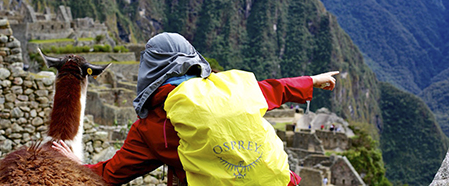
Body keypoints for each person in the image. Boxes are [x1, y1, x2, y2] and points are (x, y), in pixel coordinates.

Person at [53, 32, 338, 186]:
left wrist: (76, 167)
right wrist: (313, 81)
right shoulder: (232, 86)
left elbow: (112, 174)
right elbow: (275, 89)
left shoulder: (156, 125)